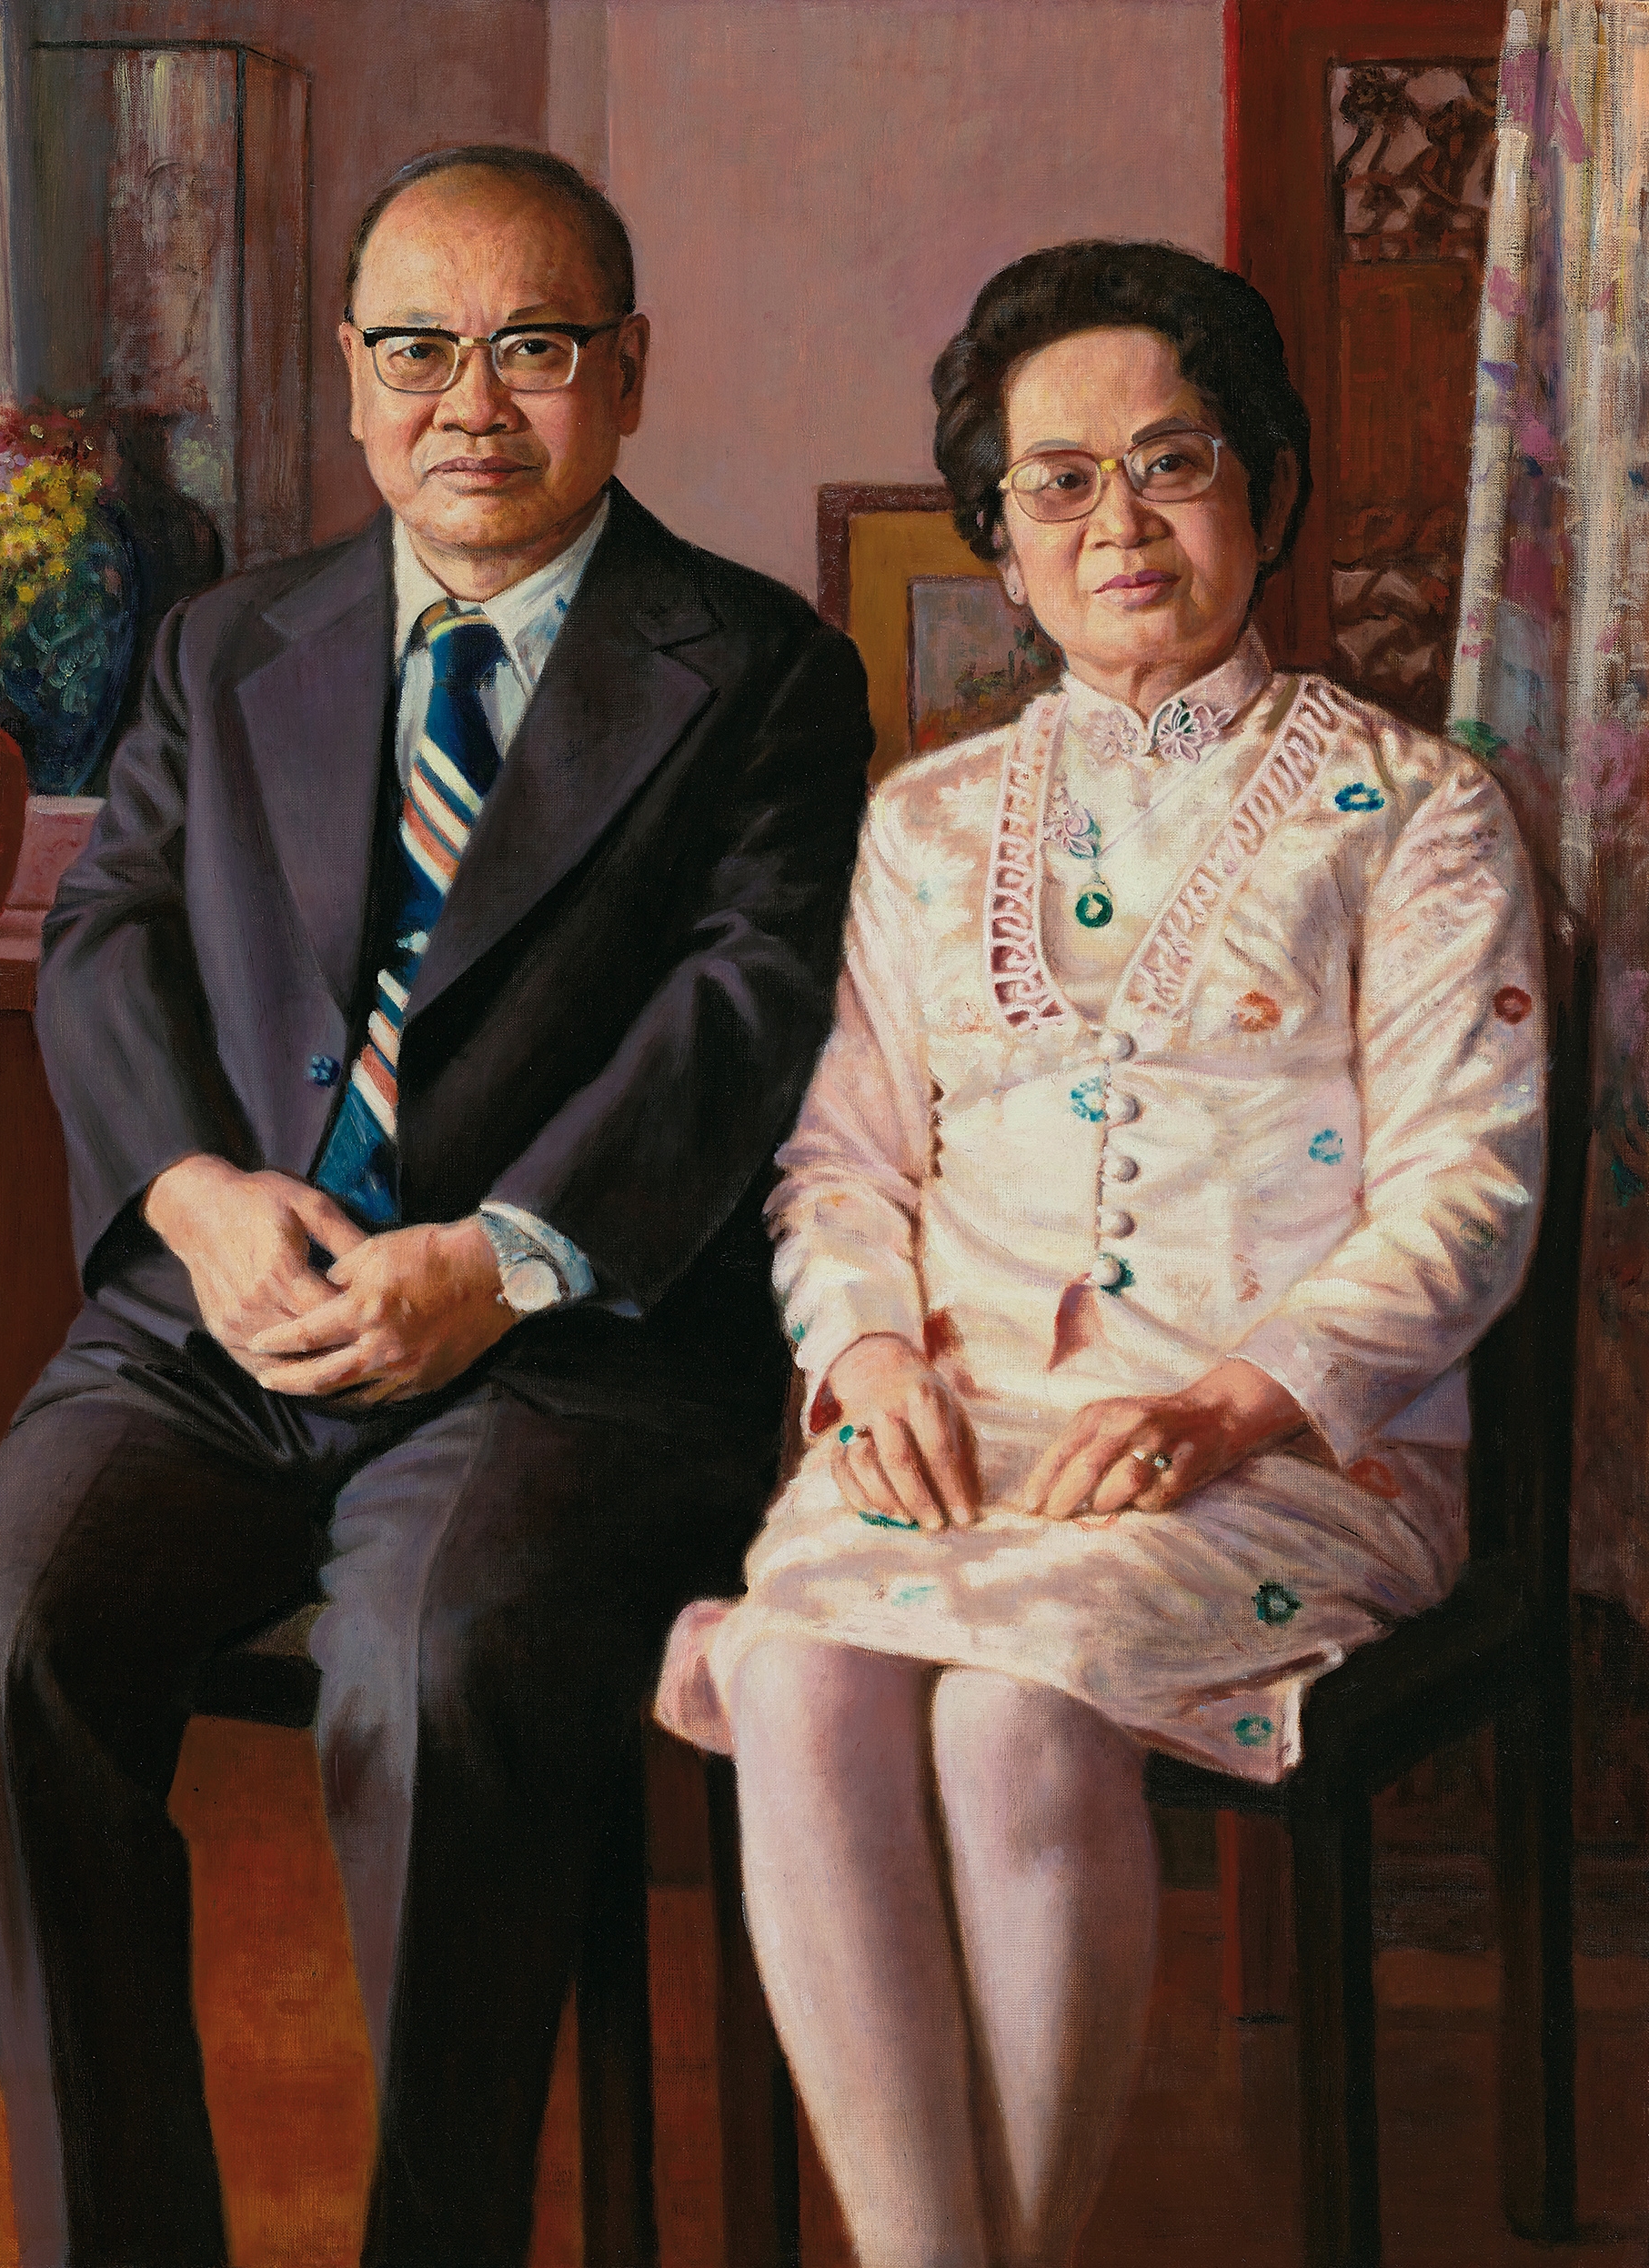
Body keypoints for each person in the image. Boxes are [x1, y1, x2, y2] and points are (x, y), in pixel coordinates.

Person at [0, 146, 871, 2268]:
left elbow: (741, 1011)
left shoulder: (764, 671)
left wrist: (498, 1261)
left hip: (564, 1345)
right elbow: (111, 930)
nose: (471, 404)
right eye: (419, 349)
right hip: (227, 1310)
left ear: (629, 370)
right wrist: (193, 1194)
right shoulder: (225, 639)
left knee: (420, 1677)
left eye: (534, 348)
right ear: (351, 377)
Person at [655, 240, 1547, 2268]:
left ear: (1268, 489)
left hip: (1292, 1452)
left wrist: (1232, 1402)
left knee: (1008, 1707)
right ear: (999, 537)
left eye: (1171, 462)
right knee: (794, 1669)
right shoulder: (924, 821)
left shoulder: (1414, 813)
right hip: (960, 1431)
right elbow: (838, 1164)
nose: (1117, 524)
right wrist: (865, 1358)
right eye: (1055, 483)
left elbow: (1468, 1192)